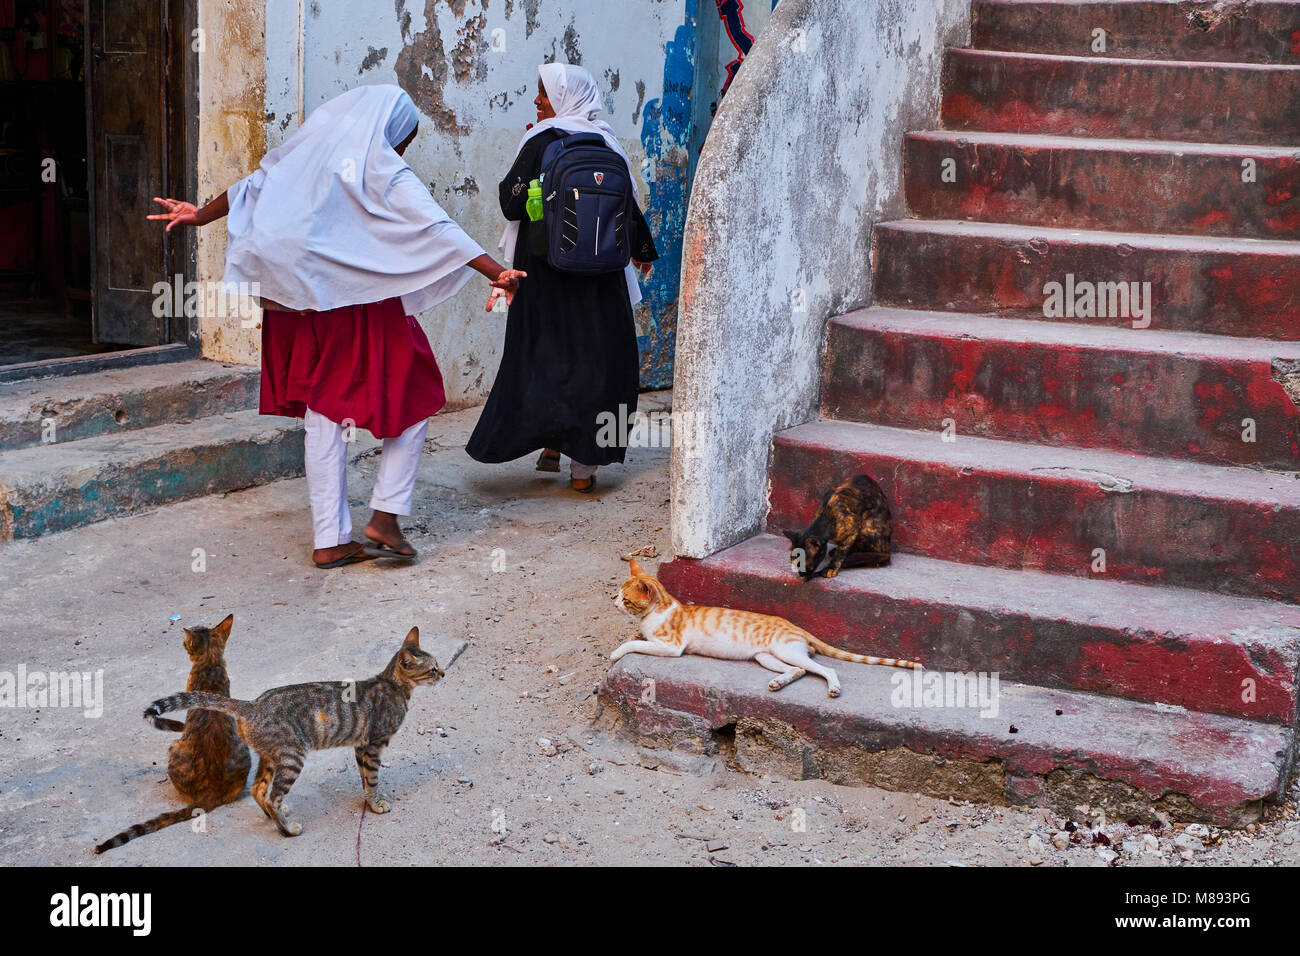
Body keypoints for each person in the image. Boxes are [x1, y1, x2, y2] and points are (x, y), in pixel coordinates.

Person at [148, 85, 524, 568]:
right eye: (405, 138)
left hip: (292, 303)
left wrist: (200, 214)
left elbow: (250, 188)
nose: (404, 148)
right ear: (389, 129)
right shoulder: (379, 162)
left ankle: (331, 537)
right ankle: (385, 514)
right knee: (418, 389)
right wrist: (497, 272)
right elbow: (438, 227)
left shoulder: (304, 153)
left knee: (323, 408)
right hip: (355, 301)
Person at [465, 63, 658, 493]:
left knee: (541, 356)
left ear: (561, 98)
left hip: (543, 274)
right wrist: (643, 250)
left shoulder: (541, 140)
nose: (538, 101)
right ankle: (582, 469)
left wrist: (529, 164)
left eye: (544, 94)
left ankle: (548, 440)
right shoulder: (608, 143)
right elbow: (626, 206)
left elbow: (510, 205)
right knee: (595, 363)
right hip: (601, 279)